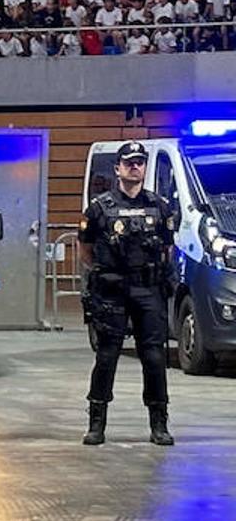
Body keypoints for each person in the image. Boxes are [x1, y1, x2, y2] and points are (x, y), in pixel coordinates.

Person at [79, 141, 176, 446]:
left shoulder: (159, 207)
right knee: (107, 356)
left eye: (140, 162)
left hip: (148, 289)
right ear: (118, 168)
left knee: (154, 357)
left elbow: (168, 248)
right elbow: (85, 249)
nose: (135, 166)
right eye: (129, 162)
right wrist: (104, 271)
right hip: (112, 290)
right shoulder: (99, 208)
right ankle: (97, 423)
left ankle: (159, 423)